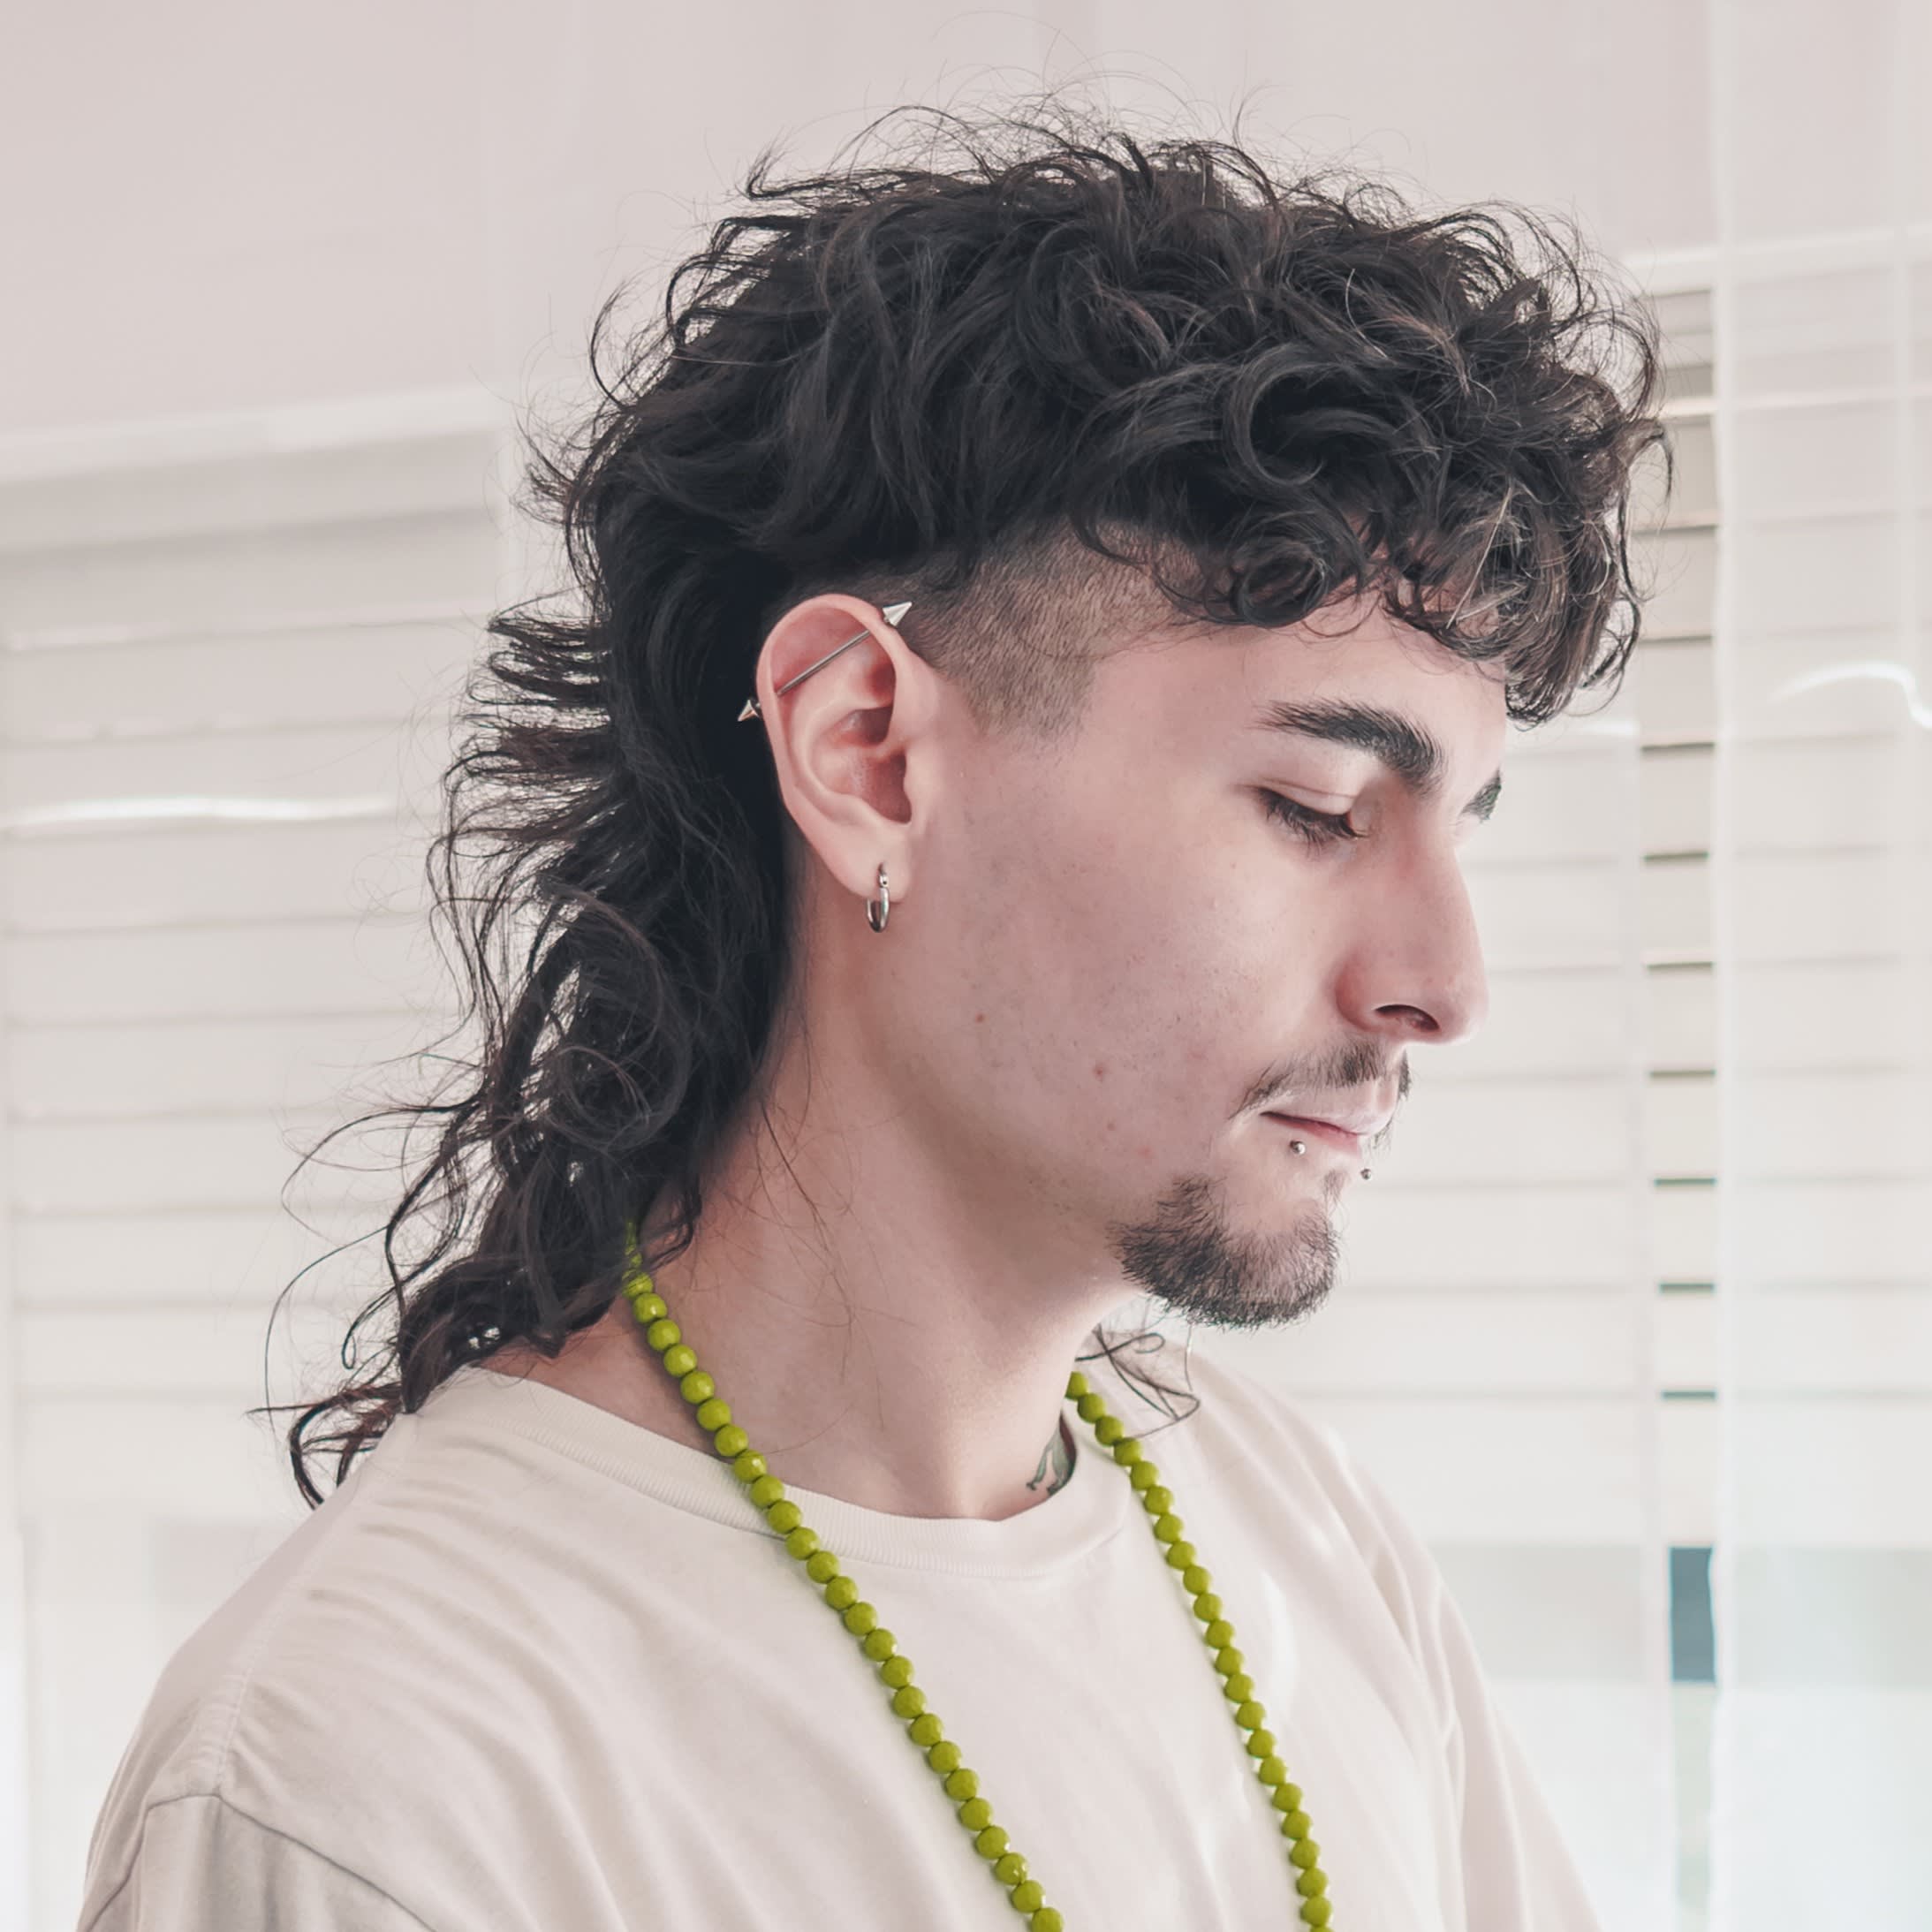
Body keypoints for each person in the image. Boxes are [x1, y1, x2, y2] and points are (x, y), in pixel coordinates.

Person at [76, 101, 1662, 1931]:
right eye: (1315, 807)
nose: (1444, 986)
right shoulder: (361, 1772)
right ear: (865, 752)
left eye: (1456, 830)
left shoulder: (1293, 1527)